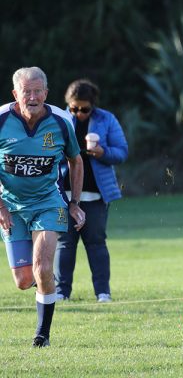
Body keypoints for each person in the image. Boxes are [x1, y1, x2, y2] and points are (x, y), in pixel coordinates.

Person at [0, 67, 84, 347]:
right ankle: (44, 281)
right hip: (11, 206)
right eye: (27, 92)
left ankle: (42, 335)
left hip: (49, 202)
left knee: (42, 265)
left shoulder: (61, 121)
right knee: (24, 280)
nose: (33, 97)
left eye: (38, 91)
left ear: (46, 93)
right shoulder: (1, 120)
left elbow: (76, 160)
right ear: (16, 94)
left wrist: (74, 203)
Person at [54, 79, 128, 303]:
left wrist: (102, 152)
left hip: (96, 195)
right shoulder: (59, 120)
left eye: (84, 109)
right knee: (65, 243)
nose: (78, 114)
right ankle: (61, 292)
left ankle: (103, 293)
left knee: (96, 243)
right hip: (64, 194)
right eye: (74, 108)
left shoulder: (107, 119)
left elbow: (122, 152)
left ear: (93, 105)